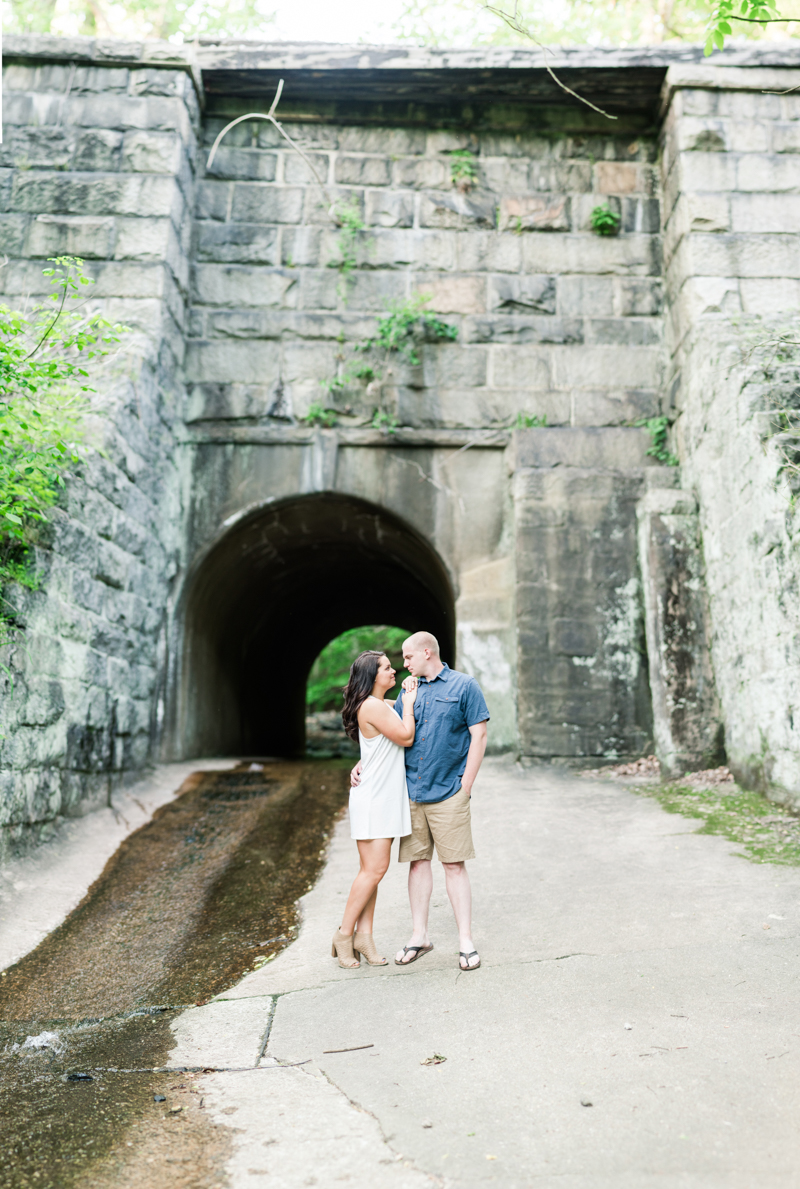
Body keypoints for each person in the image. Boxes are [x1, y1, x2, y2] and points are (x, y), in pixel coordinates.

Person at [351, 631, 489, 972]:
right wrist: (361, 763)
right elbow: (389, 734)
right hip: (411, 792)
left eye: (407, 657)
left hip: (448, 793)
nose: (404, 664)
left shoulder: (464, 686)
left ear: (426, 652)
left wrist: (466, 785)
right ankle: (419, 936)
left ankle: (465, 941)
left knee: (454, 865)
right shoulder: (407, 692)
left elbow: (479, 734)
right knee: (417, 864)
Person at [331, 650, 418, 970]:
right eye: (385, 668)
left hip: (381, 795)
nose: (393, 670)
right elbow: (406, 736)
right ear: (371, 676)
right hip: (375, 799)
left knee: (371, 872)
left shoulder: (381, 705)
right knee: (374, 870)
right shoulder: (371, 705)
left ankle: (364, 937)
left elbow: (377, 746)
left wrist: (409, 696)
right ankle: (344, 935)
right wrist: (407, 704)